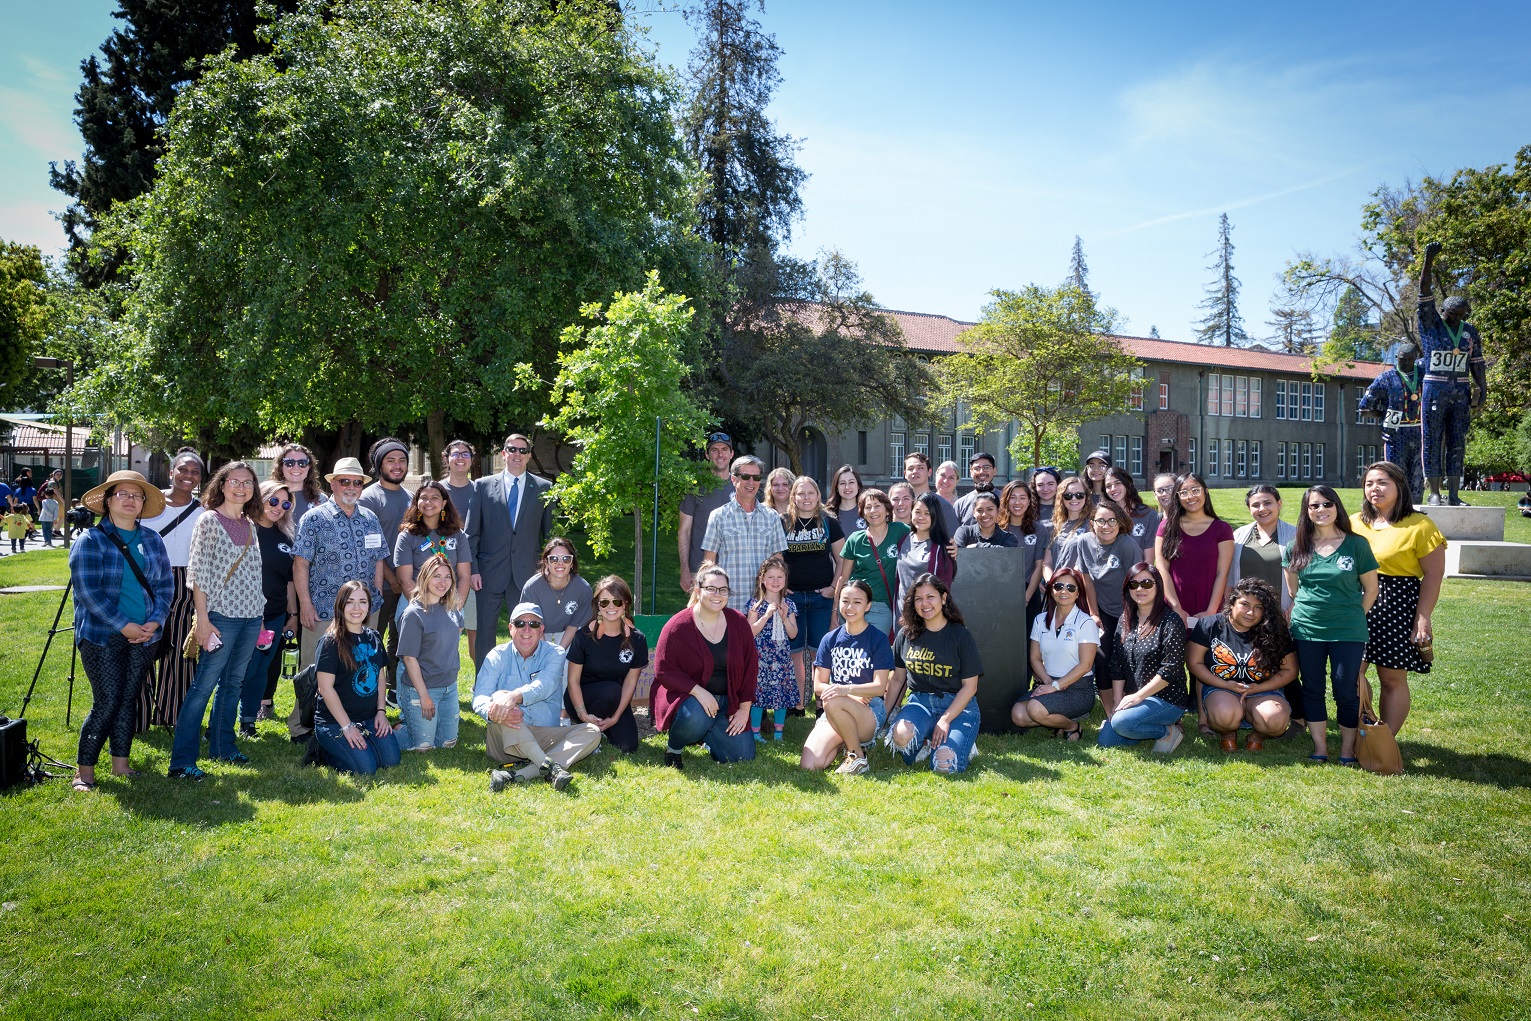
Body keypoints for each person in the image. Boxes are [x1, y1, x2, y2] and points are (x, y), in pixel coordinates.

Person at [68, 472, 175, 791]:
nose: (130, 500)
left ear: (143, 504)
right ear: (107, 502)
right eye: (122, 494)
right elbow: (88, 592)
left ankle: (121, 765)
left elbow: (165, 586)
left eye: (137, 495)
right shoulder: (90, 541)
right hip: (102, 635)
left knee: (129, 699)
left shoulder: (153, 540)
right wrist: (124, 625)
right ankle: (84, 773)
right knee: (107, 700)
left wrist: (154, 622)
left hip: (145, 634)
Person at [169, 461, 266, 779]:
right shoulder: (209, 521)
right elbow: (198, 575)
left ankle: (224, 748)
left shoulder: (250, 523)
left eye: (248, 482)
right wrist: (204, 620)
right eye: (235, 481)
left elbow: (254, 574)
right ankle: (182, 761)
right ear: (221, 485)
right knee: (202, 687)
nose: (242, 487)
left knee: (233, 685)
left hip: (251, 617)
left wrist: (260, 617)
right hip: (221, 617)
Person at [291, 457, 388, 738]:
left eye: (357, 482)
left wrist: (377, 596)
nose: (351, 487)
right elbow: (301, 564)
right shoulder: (314, 519)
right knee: (313, 669)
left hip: (365, 611)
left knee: (363, 668)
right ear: (332, 484)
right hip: (323, 610)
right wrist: (305, 605)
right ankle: (302, 726)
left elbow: (379, 560)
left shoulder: (370, 518)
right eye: (344, 481)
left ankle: (357, 718)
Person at [1284, 486, 1379, 765]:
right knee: (1312, 687)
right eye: (1314, 506)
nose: (1321, 510)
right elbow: (1293, 591)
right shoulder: (1296, 546)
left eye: (1327, 504)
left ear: (1336, 507)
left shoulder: (1356, 544)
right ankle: (1320, 746)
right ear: (1307, 511)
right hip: (1307, 630)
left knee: (1345, 688)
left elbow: (1371, 590)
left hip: (1348, 631)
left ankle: (1348, 749)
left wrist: (1351, 615)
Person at [1353, 461, 1447, 735]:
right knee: (1349, 673)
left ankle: (1386, 741)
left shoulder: (1420, 525)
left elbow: (1433, 575)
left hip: (1398, 603)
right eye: (1369, 483)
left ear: (1399, 486)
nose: (1375, 489)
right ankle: (1366, 725)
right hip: (1356, 601)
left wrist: (1423, 618)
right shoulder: (1355, 522)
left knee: (1391, 677)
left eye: (1382, 482)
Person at [475, 601, 601, 790]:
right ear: (510, 628)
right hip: (504, 739)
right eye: (520, 623)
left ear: (541, 629)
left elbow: (545, 684)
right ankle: (552, 769)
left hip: (544, 737)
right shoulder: (497, 656)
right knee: (503, 700)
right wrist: (495, 710)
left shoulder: (555, 653)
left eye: (533, 624)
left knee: (592, 732)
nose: (527, 629)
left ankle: (516, 775)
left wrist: (514, 696)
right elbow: (479, 698)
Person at [650, 563, 757, 767]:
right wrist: (698, 691)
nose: (717, 594)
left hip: (727, 702)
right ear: (698, 591)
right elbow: (663, 670)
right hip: (689, 699)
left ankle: (708, 735)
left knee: (742, 756)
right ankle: (674, 747)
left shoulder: (738, 623)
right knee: (697, 717)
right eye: (711, 589)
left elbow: (751, 668)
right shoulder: (678, 626)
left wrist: (743, 710)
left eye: (723, 590)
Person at [466, 432, 552, 669]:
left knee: (526, 632)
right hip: (487, 573)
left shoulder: (544, 488)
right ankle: (483, 684)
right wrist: (473, 570)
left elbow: (551, 538)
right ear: (503, 454)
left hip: (526, 575)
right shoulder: (482, 487)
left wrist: (546, 573)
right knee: (485, 633)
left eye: (522, 451)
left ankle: (522, 679)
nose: (517, 454)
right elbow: (471, 534)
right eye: (512, 449)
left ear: (529, 456)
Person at [137, 449, 206, 731]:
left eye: (195, 472)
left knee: (180, 649)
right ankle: (136, 717)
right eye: (183, 470)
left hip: (187, 581)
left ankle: (171, 714)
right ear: (171, 472)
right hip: (147, 579)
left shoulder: (203, 512)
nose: (188, 476)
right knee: (141, 646)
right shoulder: (149, 505)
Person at [886, 573, 982, 775]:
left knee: (944, 765)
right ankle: (926, 741)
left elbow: (970, 687)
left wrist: (945, 720)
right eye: (919, 599)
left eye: (931, 597)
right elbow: (897, 679)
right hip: (920, 703)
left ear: (944, 598)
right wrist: (883, 717)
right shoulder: (906, 634)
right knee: (901, 736)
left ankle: (959, 742)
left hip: (957, 705)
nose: (925, 603)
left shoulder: (960, 635)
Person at [1189, 578, 1298, 753]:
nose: (1251, 612)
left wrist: (1256, 689)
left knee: (1275, 720)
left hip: (1263, 690)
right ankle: (1227, 734)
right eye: (1245, 605)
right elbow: (1194, 663)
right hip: (1221, 688)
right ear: (1232, 603)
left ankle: (1256, 737)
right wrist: (1225, 684)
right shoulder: (1210, 625)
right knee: (1224, 715)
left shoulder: (1274, 629)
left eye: (1258, 607)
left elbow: (1290, 670)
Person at [1416, 241, 1487, 506]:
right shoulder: (1431, 324)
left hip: (1461, 389)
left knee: (1458, 441)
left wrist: (1482, 389)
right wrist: (1428, 260)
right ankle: (1434, 492)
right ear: (1443, 311)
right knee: (1433, 439)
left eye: (1461, 315)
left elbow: (1477, 362)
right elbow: (1424, 290)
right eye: (1453, 314)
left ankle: (1455, 495)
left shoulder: (1469, 331)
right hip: (1435, 388)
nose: (1457, 318)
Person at [1055, 499, 1141, 716]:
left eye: (1112, 520)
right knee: (1102, 659)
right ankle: (1111, 713)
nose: (1107, 526)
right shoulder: (1083, 542)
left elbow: (1136, 585)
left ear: (1120, 523)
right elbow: (1087, 579)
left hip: (1130, 610)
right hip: (1102, 610)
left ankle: (1131, 707)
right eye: (1100, 520)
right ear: (1092, 523)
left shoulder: (1127, 545)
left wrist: (1130, 618)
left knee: (1127, 659)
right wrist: (1094, 614)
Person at [800, 580, 893, 774]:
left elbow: (879, 687)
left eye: (857, 602)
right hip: (838, 706)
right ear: (838, 603)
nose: (850, 607)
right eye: (845, 601)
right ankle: (845, 739)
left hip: (869, 709)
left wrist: (846, 690)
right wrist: (849, 695)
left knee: (832, 701)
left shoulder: (878, 639)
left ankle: (857, 756)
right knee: (809, 765)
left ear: (868, 606)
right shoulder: (830, 639)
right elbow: (818, 685)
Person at [1097, 562, 1190, 753]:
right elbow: (1116, 665)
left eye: (1147, 583)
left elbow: (1169, 671)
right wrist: (1116, 702)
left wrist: (1137, 697)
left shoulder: (1171, 622)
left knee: (1122, 724)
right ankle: (1137, 723)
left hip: (1167, 698)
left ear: (1158, 586)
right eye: (1134, 584)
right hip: (1135, 698)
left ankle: (1167, 731)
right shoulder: (1125, 619)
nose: (1140, 589)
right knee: (1107, 741)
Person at [312, 581, 401, 775]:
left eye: (362, 602)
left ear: (369, 606)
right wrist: (347, 726)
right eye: (350, 602)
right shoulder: (330, 642)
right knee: (366, 769)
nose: (356, 608)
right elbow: (325, 688)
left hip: (369, 718)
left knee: (391, 761)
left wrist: (381, 712)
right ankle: (323, 751)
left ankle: (363, 743)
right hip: (334, 721)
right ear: (341, 606)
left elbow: (379, 675)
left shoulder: (374, 637)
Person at [780, 476, 844, 711]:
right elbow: (776, 556)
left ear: (818, 495)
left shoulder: (829, 522)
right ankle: (797, 704)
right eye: (801, 493)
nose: (806, 498)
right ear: (793, 497)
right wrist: (781, 586)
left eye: (811, 493)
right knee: (794, 653)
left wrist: (834, 587)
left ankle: (821, 704)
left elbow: (842, 560)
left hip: (821, 597)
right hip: (792, 598)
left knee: (820, 652)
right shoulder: (783, 522)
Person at [239, 480, 297, 735]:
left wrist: (292, 614)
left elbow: (289, 580)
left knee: (261, 670)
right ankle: (223, 722)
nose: (278, 507)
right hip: (244, 616)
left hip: (275, 616)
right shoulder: (243, 530)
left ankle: (248, 721)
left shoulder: (286, 536)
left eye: (285, 504)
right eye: (273, 500)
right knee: (241, 671)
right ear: (260, 498)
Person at [565, 575, 648, 755]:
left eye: (617, 601)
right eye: (604, 602)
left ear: (625, 604)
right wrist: (582, 714)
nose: (611, 607)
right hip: (581, 701)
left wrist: (616, 717)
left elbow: (630, 683)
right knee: (611, 690)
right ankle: (586, 729)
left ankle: (602, 729)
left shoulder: (637, 639)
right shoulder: (583, 636)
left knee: (628, 746)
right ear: (597, 605)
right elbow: (573, 681)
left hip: (615, 700)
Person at [1014, 566, 1098, 740]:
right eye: (1058, 586)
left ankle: (1073, 726)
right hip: (1049, 681)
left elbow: (1086, 665)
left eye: (1071, 587)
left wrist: (1056, 686)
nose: (1064, 591)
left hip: (1078, 689)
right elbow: (1035, 658)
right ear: (1051, 590)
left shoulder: (1085, 622)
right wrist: (1048, 682)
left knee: (1035, 709)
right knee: (1018, 715)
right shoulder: (1040, 620)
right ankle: (1057, 720)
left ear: (1078, 593)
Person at [393, 553, 464, 752]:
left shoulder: (452, 608)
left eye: (447, 577)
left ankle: (415, 726)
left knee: (447, 744)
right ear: (424, 577)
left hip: (449, 688)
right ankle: (391, 733)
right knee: (423, 747)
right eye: (436, 576)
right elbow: (409, 658)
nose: (443, 582)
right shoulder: (413, 614)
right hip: (421, 688)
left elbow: (454, 637)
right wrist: (424, 696)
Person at [700, 454, 787, 613]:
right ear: (734, 480)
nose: (751, 482)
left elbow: (778, 559)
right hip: (730, 604)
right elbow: (709, 562)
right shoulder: (718, 516)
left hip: (764, 605)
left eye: (756, 477)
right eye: (746, 476)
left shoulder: (772, 517)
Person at [358, 437, 412, 691]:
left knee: (401, 637)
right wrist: (393, 578)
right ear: (380, 465)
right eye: (391, 460)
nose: (397, 465)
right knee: (372, 639)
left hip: (408, 585)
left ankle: (392, 686)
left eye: (402, 460)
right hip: (379, 584)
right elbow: (370, 548)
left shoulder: (413, 499)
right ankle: (366, 687)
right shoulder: (368, 498)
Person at [1154, 472, 1234, 626]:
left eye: (1195, 490)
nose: (1190, 497)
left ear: (1206, 491)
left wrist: (1211, 612)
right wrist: (1176, 607)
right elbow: (1162, 569)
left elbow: (1222, 574)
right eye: (1184, 492)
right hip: (1172, 606)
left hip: (1209, 607)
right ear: (1177, 496)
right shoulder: (1166, 527)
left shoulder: (1222, 529)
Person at [834, 489, 908, 637]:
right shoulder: (855, 539)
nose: (873, 511)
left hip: (881, 607)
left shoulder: (900, 530)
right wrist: (834, 612)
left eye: (877, 505)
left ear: (887, 510)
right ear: (863, 512)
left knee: (873, 651)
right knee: (853, 652)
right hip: (853, 604)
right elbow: (843, 578)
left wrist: (951, 544)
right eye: (868, 507)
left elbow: (924, 537)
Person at [1360, 341, 1425, 498]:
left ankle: (1415, 509)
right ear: (1396, 357)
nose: (1406, 362)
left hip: (1420, 433)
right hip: (1395, 435)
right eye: (1402, 359)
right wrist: (1383, 415)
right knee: (1396, 476)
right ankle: (1397, 509)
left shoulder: (1424, 375)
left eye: (1409, 359)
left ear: (1415, 358)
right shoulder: (1385, 379)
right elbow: (1364, 408)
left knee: (1417, 477)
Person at [393, 480, 471, 607]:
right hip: (415, 605)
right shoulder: (407, 536)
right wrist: (426, 609)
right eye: (423, 498)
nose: (428, 502)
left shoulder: (458, 535)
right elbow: (405, 579)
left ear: (444, 503)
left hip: (450, 605)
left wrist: (456, 607)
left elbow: (464, 576)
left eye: (435, 498)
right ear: (416, 503)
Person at [746, 555, 798, 741]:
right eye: (771, 577)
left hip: (781, 658)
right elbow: (750, 632)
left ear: (785, 580)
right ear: (762, 579)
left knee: (780, 694)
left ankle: (778, 732)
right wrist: (766, 616)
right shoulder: (755, 605)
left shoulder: (789, 604)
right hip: (760, 657)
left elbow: (793, 634)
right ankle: (755, 732)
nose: (775, 582)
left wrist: (784, 618)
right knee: (758, 694)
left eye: (780, 577)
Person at [677, 431, 735, 592]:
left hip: (736, 572)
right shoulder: (695, 488)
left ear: (732, 454)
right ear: (707, 455)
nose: (720, 454)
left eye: (724, 449)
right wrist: (685, 571)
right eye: (714, 450)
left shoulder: (741, 487)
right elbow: (684, 531)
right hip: (701, 572)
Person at [440, 439, 480, 661]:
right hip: (440, 574)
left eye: (465, 454)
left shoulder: (480, 490)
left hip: (471, 573)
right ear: (447, 459)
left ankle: (479, 685)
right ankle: (442, 684)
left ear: (472, 460)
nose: (460, 458)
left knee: (474, 631)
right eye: (456, 454)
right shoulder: (436, 490)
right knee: (442, 635)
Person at [1229, 485, 1297, 612]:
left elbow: (1308, 579)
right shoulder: (1239, 535)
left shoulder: (1296, 536)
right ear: (1249, 509)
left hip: (1283, 615)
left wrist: (1292, 609)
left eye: (1268, 503)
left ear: (1279, 504)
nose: (1262, 509)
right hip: (1245, 616)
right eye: (1255, 505)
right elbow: (1230, 577)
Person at [519, 537, 592, 650]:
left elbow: (574, 626)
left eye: (566, 559)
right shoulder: (532, 588)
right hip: (536, 631)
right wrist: (548, 653)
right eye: (553, 559)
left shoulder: (583, 589)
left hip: (567, 632)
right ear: (546, 562)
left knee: (569, 661)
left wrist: (560, 652)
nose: (560, 563)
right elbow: (531, 625)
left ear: (572, 563)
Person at [895, 493, 958, 605]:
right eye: (917, 512)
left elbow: (945, 589)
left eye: (927, 513)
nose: (921, 517)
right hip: (901, 613)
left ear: (935, 515)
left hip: (927, 613)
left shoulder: (943, 547)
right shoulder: (903, 540)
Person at [1041, 476, 1094, 579]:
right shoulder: (1055, 527)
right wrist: (1051, 582)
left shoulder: (1093, 525)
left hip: (1080, 588)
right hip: (1056, 589)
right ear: (1061, 498)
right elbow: (1047, 563)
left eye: (1079, 495)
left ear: (1086, 497)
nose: (1074, 499)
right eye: (1068, 496)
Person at [268, 443, 327, 525]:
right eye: (289, 462)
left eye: (302, 463)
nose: (296, 467)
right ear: (281, 467)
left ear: (309, 467)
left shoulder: (321, 500)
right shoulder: (267, 496)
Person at [903, 452, 959, 535]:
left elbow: (952, 540)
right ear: (905, 474)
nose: (915, 471)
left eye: (920, 468)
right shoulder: (898, 503)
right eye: (911, 468)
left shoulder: (943, 506)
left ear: (929, 472)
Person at [1104, 467, 1160, 547]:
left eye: (1118, 483)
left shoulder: (1149, 515)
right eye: (1108, 486)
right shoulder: (1104, 516)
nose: (1113, 489)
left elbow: (1149, 555)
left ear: (1127, 483)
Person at [951, 491, 1018, 550]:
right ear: (973, 512)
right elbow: (958, 553)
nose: (984, 514)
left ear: (998, 511)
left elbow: (1007, 553)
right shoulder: (964, 532)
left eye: (989, 509)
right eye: (979, 510)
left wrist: (977, 546)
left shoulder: (1008, 538)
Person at [953, 453, 997, 525]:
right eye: (977, 468)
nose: (981, 472)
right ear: (971, 472)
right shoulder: (960, 504)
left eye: (986, 467)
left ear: (994, 471)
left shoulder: (1005, 499)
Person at [826, 465, 866, 538]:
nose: (847, 487)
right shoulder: (828, 515)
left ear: (858, 485)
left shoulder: (867, 511)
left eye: (851, 482)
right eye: (842, 483)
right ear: (837, 487)